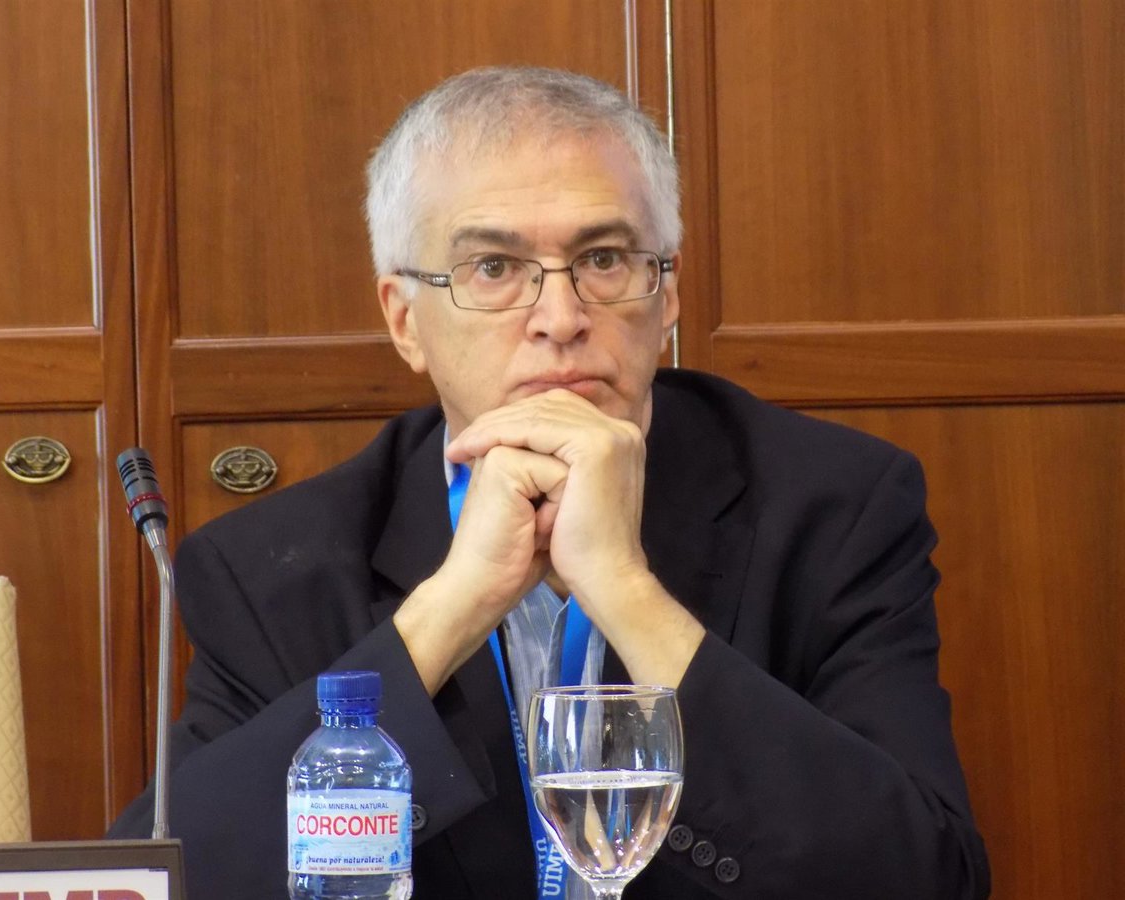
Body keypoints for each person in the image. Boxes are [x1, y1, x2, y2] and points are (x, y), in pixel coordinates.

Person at [110, 66, 990, 899]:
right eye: (494, 269)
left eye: (603, 259)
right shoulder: (273, 570)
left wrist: (627, 591)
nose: (561, 319)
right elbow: (155, 880)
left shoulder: (833, 509)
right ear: (405, 320)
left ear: (666, 296)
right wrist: (449, 610)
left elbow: (921, 877)